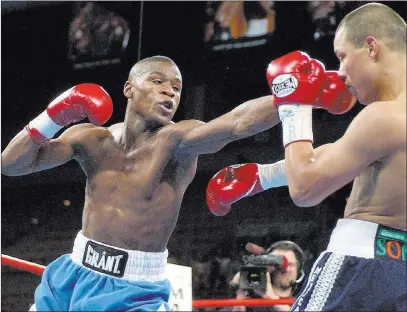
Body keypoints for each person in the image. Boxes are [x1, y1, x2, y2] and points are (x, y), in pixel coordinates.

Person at [1, 51, 347, 311]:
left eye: (177, 88)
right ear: (129, 89)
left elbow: (237, 123)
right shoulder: (91, 139)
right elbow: (11, 164)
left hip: (133, 290)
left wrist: (296, 93)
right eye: (158, 82)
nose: (170, 93)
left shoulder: (177, 142)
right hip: (73, 272)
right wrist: (51, 116)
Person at [207, 3, 406, 311]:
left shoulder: (382, 118)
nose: (339, 72)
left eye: (342, 56)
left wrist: (294, 105)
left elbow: (305, 189)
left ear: (371, 47)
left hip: (362, 268)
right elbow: (354, 154)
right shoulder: (393, 122)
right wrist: (264, 175)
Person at [226, 241, 305, 312]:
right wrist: (240, 298)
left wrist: (273, 300)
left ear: (298, 269)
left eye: (290, 264)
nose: (285, 269)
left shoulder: (305, 301)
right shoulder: (251, 303)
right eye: (277, 265)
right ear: (267, 267)